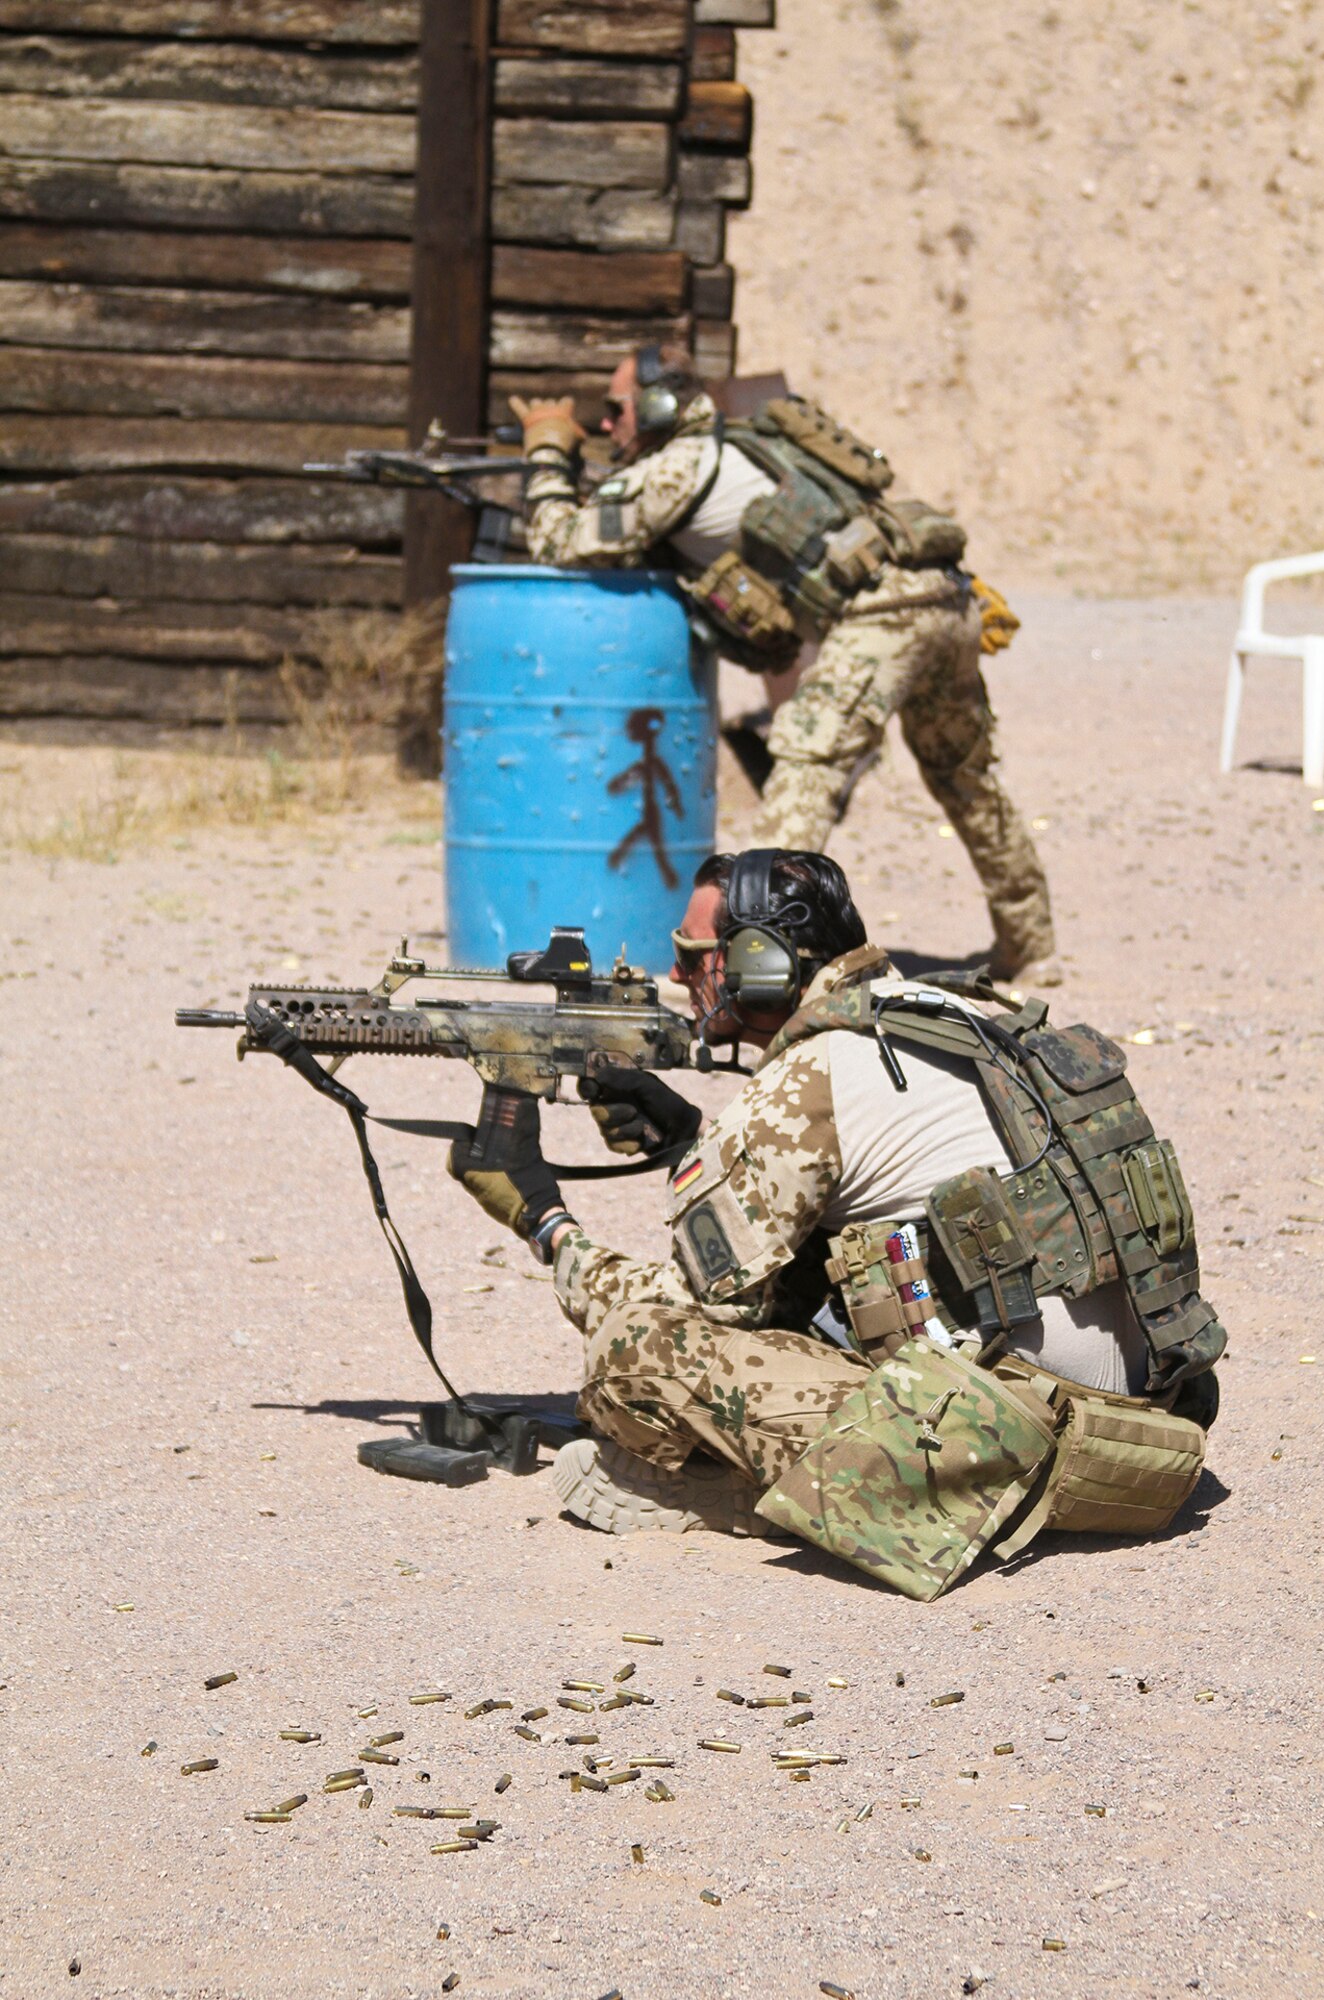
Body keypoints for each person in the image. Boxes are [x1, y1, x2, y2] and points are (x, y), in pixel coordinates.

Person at [448, 850, 1223, 1598]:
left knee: (636, 1350)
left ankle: (751, 1503)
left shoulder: (808, 1076)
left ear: (759, 963)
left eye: (693, 956)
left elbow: (696, 1303)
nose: (679, 976)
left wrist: (541, 1216)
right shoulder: (945, 1012)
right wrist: (691, 1144)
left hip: (1004, 1451)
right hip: (1149, 1422)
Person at [510, 348, 1057, 987]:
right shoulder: (744, 440)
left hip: (883, 617)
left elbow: (557, 541)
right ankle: (1033, 945)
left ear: (660, 405)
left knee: (804, 767)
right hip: (946, 598)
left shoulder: (674, 468)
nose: (607, 426)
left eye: (616, 409)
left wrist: (546, 451)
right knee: (966, 778)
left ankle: (748, 955)